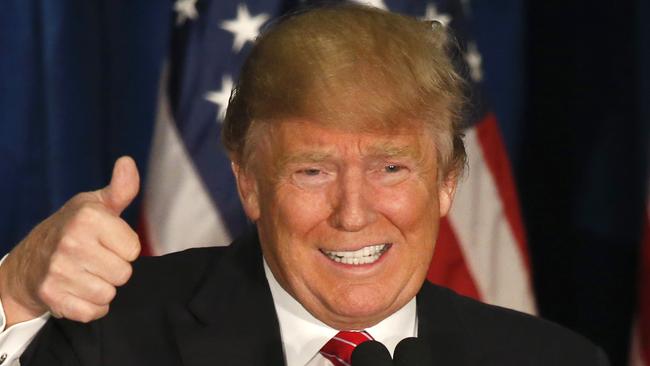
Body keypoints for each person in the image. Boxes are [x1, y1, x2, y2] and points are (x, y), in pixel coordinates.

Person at [0, 3, 608, 365]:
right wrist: (15, 291)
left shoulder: (552, 361)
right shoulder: (114, 336)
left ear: (447, 183)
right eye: (312, 171)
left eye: (390, 168)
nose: (352, 214)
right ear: (249, 184)